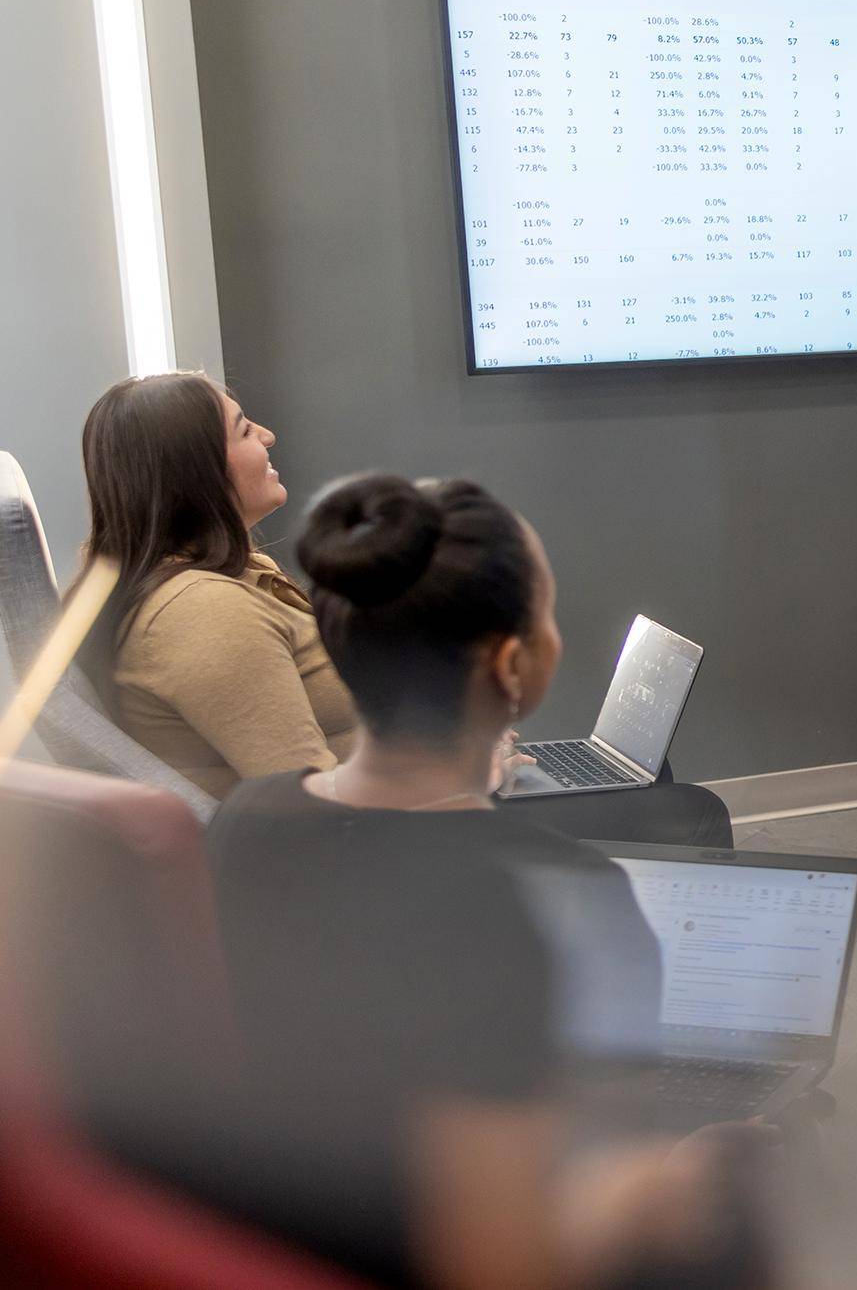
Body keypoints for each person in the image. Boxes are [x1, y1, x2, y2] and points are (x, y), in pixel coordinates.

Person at [202, 472, 766, 1290]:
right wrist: (678, 1176)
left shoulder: (247, 821)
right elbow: (517, 1254)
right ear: (510, 664)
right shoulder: (558, 894)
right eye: (546, 615)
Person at [81, 372, 731, 847]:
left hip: (409, 786)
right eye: (247, 430)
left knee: (644, 776)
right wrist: (466, 774)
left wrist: (460, 741)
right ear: (198, 472)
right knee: (690, 812)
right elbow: (313, 806)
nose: (270, 435)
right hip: (394, 836)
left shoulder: (233, 569)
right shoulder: (205, 618)